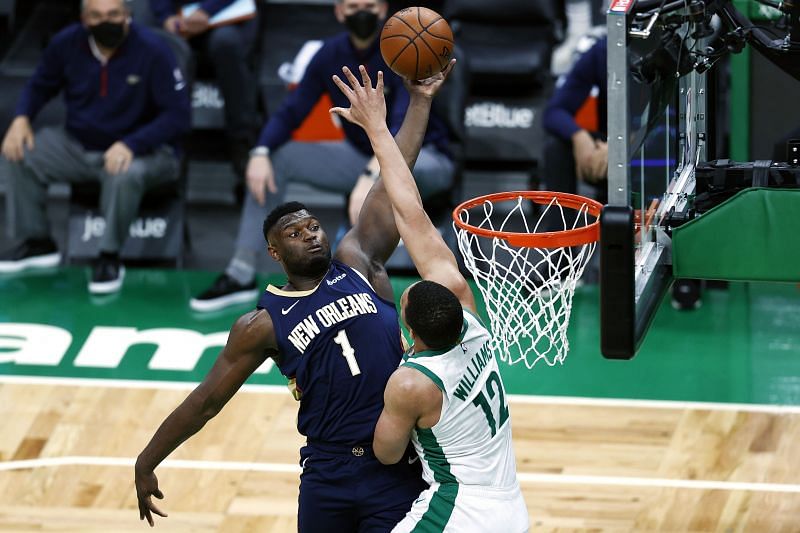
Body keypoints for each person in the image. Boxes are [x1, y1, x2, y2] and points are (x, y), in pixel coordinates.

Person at [134, 62, 455, 531]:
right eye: (295, 231)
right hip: (326, 473)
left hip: (394, 464)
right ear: (273, 250)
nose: (311, 235)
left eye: (314, 226)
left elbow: (394, 182)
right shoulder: (261, 324)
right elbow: (205, 401)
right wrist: (147, 459)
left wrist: (420, 101)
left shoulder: (358, 263)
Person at [330, 67, 529, 530]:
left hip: (459, 514)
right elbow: (410, 213)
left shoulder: (410, 384)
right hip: (509, 505)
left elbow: (386, 451)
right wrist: (381, 127)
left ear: (410, 331)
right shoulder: (471, 321)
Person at [188, 0, 454, 312]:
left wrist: (373, 178)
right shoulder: (330, 54)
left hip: (424, 158)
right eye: (353, 6)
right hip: (361, 156)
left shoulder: (398, 51)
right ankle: (241, 272)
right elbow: (292, 110)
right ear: (339, 11)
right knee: (277, 161)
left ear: (383, 10)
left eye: (369, 5)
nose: (361, 12)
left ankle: (366, 284)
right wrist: (260, 152)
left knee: (384, 179)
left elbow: (398, 131)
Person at [0, 0, 190, 294]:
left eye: (113, 14)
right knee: (18, 152)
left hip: (147, 150)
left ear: (127, 15)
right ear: (84, 19)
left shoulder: (153, 50)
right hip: (79, 145)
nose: (106, 22)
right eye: (97, 16)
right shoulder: (67, 43)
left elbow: (178, 116)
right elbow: (39, 84)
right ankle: (37, 242)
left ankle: (109, 256)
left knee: (124, 173)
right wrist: (21, 118)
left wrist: (131, 144)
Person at [148, 0, 261, 176]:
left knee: (226, 44)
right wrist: (166, 17)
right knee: (167, 45)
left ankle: (242, 142)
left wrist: (206, 10)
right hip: (182, 15)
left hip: (231, 14)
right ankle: (169, 145)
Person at [542, 36, 608, 203]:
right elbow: (554, 111)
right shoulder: (603, 50)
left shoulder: (666, 47)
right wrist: (578, 136)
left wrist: (623, 148)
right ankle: (560, 227)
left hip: (654, 145)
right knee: (557, 146)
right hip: (607, 147)